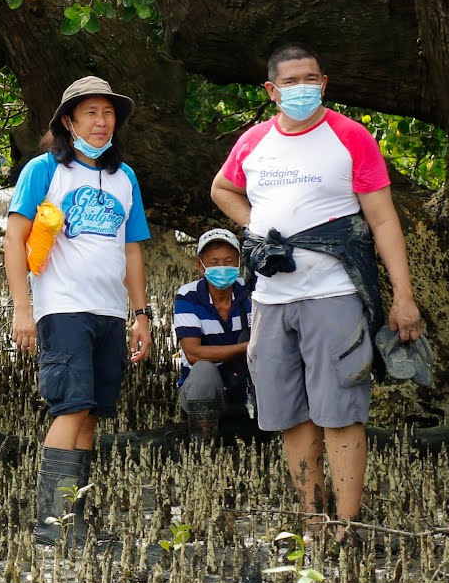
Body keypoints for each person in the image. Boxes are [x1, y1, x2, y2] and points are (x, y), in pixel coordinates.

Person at [210, 44, 422, 532]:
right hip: (270, 300)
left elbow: (383, 219)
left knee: (341, 413)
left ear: (324, 83)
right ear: (271, 91)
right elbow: (221, 187)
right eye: (291, 81)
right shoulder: (254, 141)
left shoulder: (351, 138)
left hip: (334, 295)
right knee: (291, 416)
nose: (303, 88)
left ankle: (349, 524)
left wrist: (403, 296)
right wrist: (259, 229)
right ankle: (313, 519)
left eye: (311, 79)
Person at [3, 76, 152, 547]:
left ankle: (73, 521)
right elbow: (14, 239)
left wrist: (142, 313)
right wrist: (22, 308)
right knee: (71, 406)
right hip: (62, 307)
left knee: (92, 414)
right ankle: (50, 525)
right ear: (68, 122)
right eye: (89, 113)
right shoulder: (45, 170)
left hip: (109, 311)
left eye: (107, 114)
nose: (100, 122)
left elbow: (131, 251)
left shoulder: (125, 177)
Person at [173, 228, 253, 441]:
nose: (222, 267)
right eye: (214, 262)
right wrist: (246, 347)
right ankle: (203, 443)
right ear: (200, 265)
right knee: (204, 370)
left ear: (239, 262)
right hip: (204, 388)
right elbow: (193, 354)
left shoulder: (252, 292)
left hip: (247, 382)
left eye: (228, 261)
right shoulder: (188, 296)